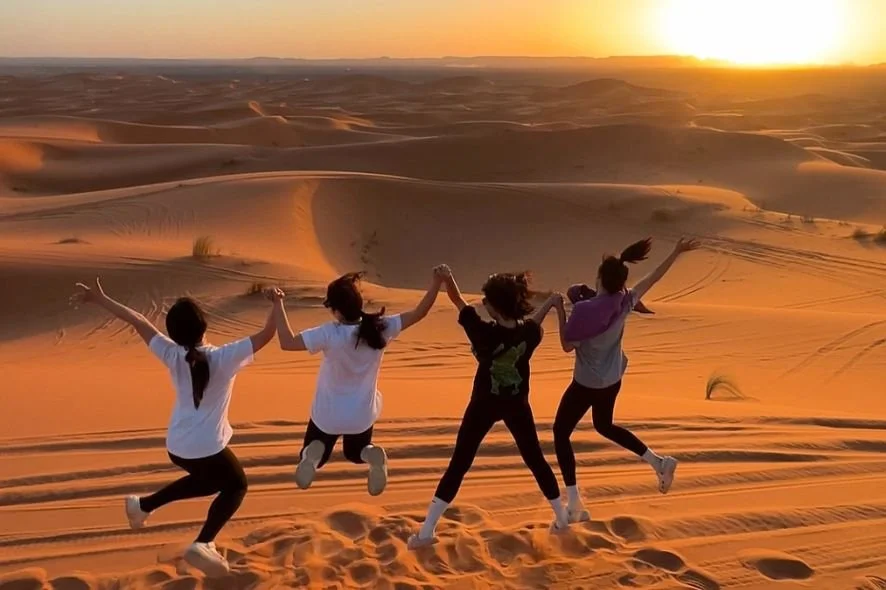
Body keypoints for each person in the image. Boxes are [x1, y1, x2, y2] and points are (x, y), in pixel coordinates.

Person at [70, 278, 276, 577]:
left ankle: (143, 506)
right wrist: (277, 303)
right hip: (207, 447)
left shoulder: (172, 354)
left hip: (177, 447)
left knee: (210, 482)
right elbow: (268, 334)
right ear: (204, 325)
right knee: (236, 485)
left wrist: (100, 299)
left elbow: (137, 320)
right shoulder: (224, 357)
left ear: (175, 335)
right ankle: (204, 542)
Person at [408, 267, 569, 549]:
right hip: (517, 405)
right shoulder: (530, 335)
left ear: (495, 309)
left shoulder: (481, 332)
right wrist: (552, 303)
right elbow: (534, 322)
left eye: (488, 302)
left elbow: (458, 301)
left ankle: (426, 533)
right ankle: (562, 519)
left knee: (459, 464)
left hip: (483, 405)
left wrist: (448, 277)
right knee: (535, 460)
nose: (483, 304)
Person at [552, 237, 701, 523]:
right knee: (603, 425)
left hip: (586, 384)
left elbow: (566, 345)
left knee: (560, 433)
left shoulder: (583, 310)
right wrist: (676, 251)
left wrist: (560, 310)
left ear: (599, 278)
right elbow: (653, 278)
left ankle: (574, 502)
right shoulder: (626, 300)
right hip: (611, 380)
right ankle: (658, 462)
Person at [267, 267, 446, 496]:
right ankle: (370, 453)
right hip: (360, 414)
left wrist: (277, 303)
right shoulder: (380, 327)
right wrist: (436, 282)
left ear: (336, 311)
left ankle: (313, 455)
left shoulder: (329, 333)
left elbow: (287, 342)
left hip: (327, 414)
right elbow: (420, 312)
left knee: (314, 455)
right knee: (355, 452)